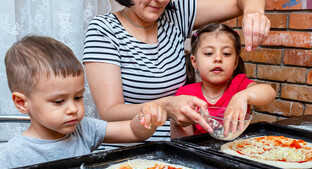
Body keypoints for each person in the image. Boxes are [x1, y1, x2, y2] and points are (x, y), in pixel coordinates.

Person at [83, 0, 271, 141]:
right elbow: (110, 111)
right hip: (132, 147)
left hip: (180, 147)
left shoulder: (176, 14)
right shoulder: (104, 30)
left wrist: (254, 12)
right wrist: (165, 106)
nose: (158, 0)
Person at [0, 35, 166, 169]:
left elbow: (133, 132)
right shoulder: (11, 155)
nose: (73, 109)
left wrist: (146, 119)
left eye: (78, 97)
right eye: (59, 101)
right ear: (22, 103)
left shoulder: (84, 129)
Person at [171, 23, 275, 138]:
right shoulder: (186, 94)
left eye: (226, 54)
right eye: (209, 53)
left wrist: (242, 96)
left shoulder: (238, 85)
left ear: (235, 62)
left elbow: (269, 92)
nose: (218, 58)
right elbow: (184, 140)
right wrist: (177, 123)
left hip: (236, 150)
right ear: (194, 61)